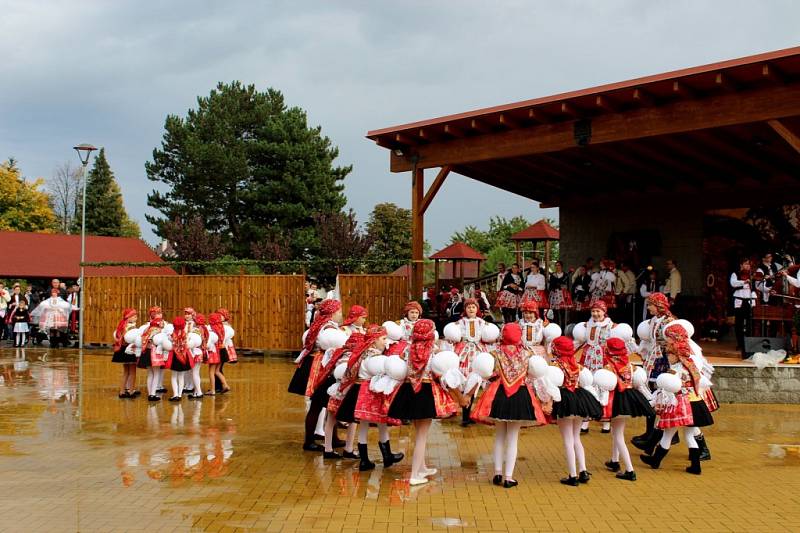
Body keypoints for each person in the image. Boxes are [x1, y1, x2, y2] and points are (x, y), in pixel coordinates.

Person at [470, 323, 548, 488]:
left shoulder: (494, 353)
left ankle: (497, 473)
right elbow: (534, 376)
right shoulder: (528, 354)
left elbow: (486, 374)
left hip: (498, 396)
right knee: (513, 439)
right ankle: (508, 477)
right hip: (520, 396)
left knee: (499, 436)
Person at [388, 319, 458, 485]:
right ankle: (414, 475)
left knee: (418, 431)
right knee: (421, 435)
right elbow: (438, 372)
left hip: (408, 391)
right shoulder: (432, 350)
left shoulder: (407, 349)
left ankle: (421, 467)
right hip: (426, 392)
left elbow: (400, 366)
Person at [640, 323, 714, 475]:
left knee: (668, 433)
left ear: (676, 355)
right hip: (695, 402)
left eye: (669, 355)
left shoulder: (675, 370)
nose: (668, 357)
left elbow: (669, 388)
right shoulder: (691, 365)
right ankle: (695, 466)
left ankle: (656, 460)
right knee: (689, 435)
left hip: (680, 404)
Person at [287, 299, 343, 451]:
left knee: (326, 403)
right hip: (319, 367)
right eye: (338, 311)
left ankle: (332, 437)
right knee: (319, 404)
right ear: (332, 313)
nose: (340, 314)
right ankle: (309, 441)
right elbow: (340, 345)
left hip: (314, 364)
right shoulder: (329, 329)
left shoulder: (317, 326)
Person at [549, 336, 603, 486]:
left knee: (568, 440)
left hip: (564, 401)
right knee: (576, 438)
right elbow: (587, 381)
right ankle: (583, 471)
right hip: (579, 400)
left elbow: (552, 384)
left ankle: (572, 475)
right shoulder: (578, 365)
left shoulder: (556, 366)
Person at [602, 338, 655, 481]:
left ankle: (630, 470)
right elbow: (639, 384)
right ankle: (614, 461)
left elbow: (605, 386)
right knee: (617, 431)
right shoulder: (632, 366)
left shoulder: (608, 367)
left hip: (616, 401)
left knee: (618, 435)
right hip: (629, 400)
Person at [353, 324, 405, 470]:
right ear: (374, 340)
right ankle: (384, 456)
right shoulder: (374, 357)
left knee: (366, 426)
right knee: (379, 423)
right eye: (383, 338)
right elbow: (385, 370)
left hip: (364, 392)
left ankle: (368, 459)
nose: (385, 341)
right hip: (372, 392)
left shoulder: (363, 353)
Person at [632, 292, 676, 453]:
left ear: (658, 306)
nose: (648, 307)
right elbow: (649, 341)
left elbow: (672, 343)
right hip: (653, 358)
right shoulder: (653, 321)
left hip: (663, 360)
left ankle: (658, 434)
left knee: (660, 394)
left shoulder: (669, 321)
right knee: (650, 395)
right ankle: (650, 432)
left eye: (650, 304)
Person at [322, 332, 364, 460]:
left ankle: (327, 449)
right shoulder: (355, 356)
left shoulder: (339, 353)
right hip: (349, 393)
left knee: (330, 421)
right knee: (352, 420)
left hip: (336, 391)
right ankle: (348, 448)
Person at [453, 298, 486, 426]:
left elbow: (487, 336)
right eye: (468, 307)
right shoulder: (460, 323)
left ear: (477, 309)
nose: (471, 309)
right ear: (465, 309)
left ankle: (468, 415)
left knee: (475, 382)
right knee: (464, 381)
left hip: (478, 353)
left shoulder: (482, 323)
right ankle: (465, 415)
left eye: (473, 307)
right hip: (463, 354)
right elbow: (454, 337)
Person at [165, 316, 199, 402]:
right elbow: (188, 344)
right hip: (184, 356)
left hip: (174, 356)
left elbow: (168, 344)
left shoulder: (171, 335)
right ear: (184, 325)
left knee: (174, 376)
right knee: (181, 376)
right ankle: (179, 395)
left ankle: (175, 394)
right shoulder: (186, 335)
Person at [137, 308, 167, 401]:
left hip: (146, 352)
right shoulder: (158, 330)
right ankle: (152, 394)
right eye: (158, 313)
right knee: (156, 373)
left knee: (150, 374)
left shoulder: (147, 328)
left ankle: (150, 393)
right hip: (155, 353)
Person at [111, 309, 140, 399]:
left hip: (122, 350)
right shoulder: (131, 327)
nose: (136, 317)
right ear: (128, 317)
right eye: (134, 316)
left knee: (126, 372)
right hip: (130, 350)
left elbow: (117, 337)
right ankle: (131, 391)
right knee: (132, 372)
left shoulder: (122, 325)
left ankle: (122, 391)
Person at [730, 258, 756, 352]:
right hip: (740, 300)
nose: (747, 266)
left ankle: (749, 343)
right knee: (739, 323)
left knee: (750, 323)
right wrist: (744, 282)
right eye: (745, 264)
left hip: (749, 300)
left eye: (748, 265)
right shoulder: (735, 274)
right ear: (741, 265)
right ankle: (740, 344)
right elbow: (733, 283)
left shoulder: (752, 275)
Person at [206, 313, 230, 396]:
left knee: (211, 372)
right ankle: (225, 385)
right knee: (217, 371)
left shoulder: (211, 328)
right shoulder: (222, 327)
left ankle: (212, 390)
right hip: (222, 350)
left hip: (215, 351)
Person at [548, 261, 572, 328]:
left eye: (558, 265)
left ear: (561, 266)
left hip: (563, 295)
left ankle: (563, 329)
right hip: (555, 294)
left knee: (563, 312)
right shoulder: (553, 275)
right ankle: (556, 328)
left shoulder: (566, 275)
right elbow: (551, 285)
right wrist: (556, 285)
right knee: (555, 313)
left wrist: (568, 292)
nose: (557, 267)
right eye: (556, 265)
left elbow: (568, 285)